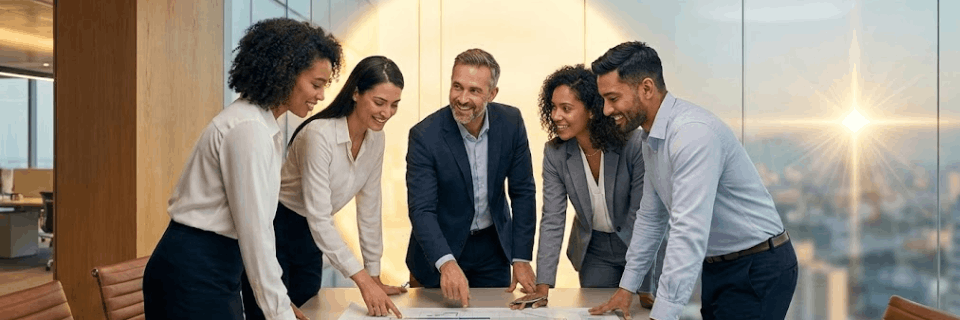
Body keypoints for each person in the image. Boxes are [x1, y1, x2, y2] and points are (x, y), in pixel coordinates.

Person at [143, 18, 343, 320]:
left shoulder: (262, 125)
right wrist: (279, 311)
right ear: (285, 73)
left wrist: (279, 299)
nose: (321, 95)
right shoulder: (248, 129)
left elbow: (259, 232)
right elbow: (256, 234)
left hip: (214, 265)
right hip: (194, 271)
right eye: (316, 84)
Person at [588, 41, 798, 320]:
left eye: (613, 98)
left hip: (758, 267)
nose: (606, 109)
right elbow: (651, 217)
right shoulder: (650, 139)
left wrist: (662, 316)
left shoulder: (692, 134)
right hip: (717, 266)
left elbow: (687, 231)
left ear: (647, 88)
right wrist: (627, 288)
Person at [239, 56, 407, 319]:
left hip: (309, 237)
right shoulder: (318, 135)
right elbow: (319, 216)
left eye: (394, 105)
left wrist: (374, 276)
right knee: (271, 315)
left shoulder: (376, 138)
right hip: (275, 228)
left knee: (308, 310)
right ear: (356, 93)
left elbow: (370, 208)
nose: (386, 113)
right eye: (379, 102)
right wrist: (362, 281)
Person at [510, 65, 663, 310]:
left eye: (566, 108)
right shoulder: (555, 153)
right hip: (595, 251)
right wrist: (542, 286)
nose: (556, 116)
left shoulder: (633, 144)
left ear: (592, 111)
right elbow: (552, 218)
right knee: (596, 312)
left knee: (641, 312)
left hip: (640, 244)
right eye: (553, 107)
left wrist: (638, 284)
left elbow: (642, 215)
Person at [405, 48, 538, 307]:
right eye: (457, 87)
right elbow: (422, 209)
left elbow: (523, 192)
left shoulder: (511, 123)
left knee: (497, 313)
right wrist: (446, 263)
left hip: (493, 250)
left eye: (474, 90)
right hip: (439, 250)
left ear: (492, 94)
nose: (462, 98)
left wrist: (521, 257)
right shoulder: (424, 136)